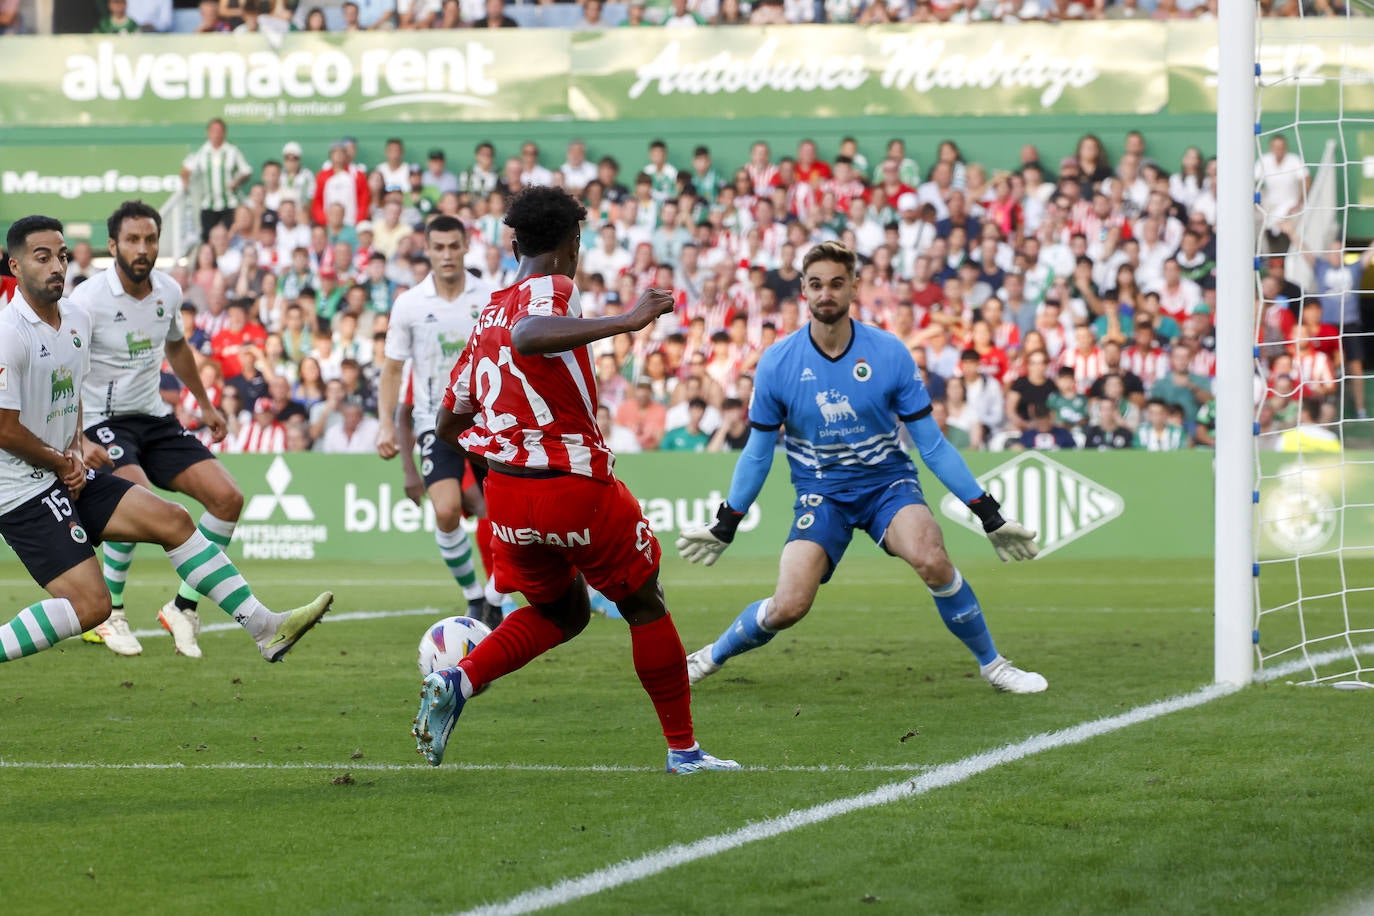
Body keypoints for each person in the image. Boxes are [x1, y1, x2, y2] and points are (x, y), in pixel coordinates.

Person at [414, 186, 738, 775]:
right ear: (570, 247)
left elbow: (447, 418)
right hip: (569, 483)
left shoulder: (489, 310)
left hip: (507, 497)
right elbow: (530, 336)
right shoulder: (550, 287)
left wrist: (500, 452)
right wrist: (628, 320)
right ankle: (684, 751)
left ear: (513, 243)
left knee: (563, 613)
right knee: (644, 603)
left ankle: (461, 679)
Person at [675, 242, 1046, 694]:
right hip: (822, 491)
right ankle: (709, 656)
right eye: (816, 285)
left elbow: (931, 445)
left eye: (835, 283)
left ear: (854, 286)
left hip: (887, 482)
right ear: (803, 291)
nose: (825, 293)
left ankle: (994, 666)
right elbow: (757, 453)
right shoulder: (776, 362)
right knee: (789, 606)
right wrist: (726, 523)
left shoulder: (889, 353)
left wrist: (989, 513)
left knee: (931, 558)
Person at [0, 215, 331, 665]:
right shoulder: (9, 334)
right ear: (15, 267)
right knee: (92, 606)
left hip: (66, 471)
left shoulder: (75, 318)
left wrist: (75, 445)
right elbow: (4, 429)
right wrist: (63, 460)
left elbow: (70, 391)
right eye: (42, 258)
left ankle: (264, 627)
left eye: (60, 256)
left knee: (174, 520)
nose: (56, 266)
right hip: (21, 491)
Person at [67, 201, 247, 658]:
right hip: (105, 422)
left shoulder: (168, 289)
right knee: (139, 503)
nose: (142, 248)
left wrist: (205, 404)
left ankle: (182, 607)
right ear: (113, 246)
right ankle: (112, 614)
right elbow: (65, 367)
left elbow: (178, 347)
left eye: (150, 239)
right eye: (132, 239)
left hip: (155, 418)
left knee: (228, 498)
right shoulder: (87, 299)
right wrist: (79, 436)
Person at [376, 216, 499, 626]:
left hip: (491, 423)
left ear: (466, 246)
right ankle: (475, 597)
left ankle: (498, 596)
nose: (446, 254)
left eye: (453, 246)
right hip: (436, 423)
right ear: (427, 250)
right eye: (438, 247)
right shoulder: (410, 304)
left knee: (506, 517)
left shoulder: (492, 297)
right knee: (446, 511)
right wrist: (386, 425)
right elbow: (393, 370)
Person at [181, 119, 253, 243]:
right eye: (213, 131)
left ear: (224, 133)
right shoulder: (203, 152)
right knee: (208, 240)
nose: (216, 134)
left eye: (219, 131)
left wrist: (237, 181)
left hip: (230, 203)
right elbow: (186, 170)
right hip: (209, 204)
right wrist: (186, 186)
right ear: (208, 133)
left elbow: (246, 171)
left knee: (231, 238)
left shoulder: (232, 151)